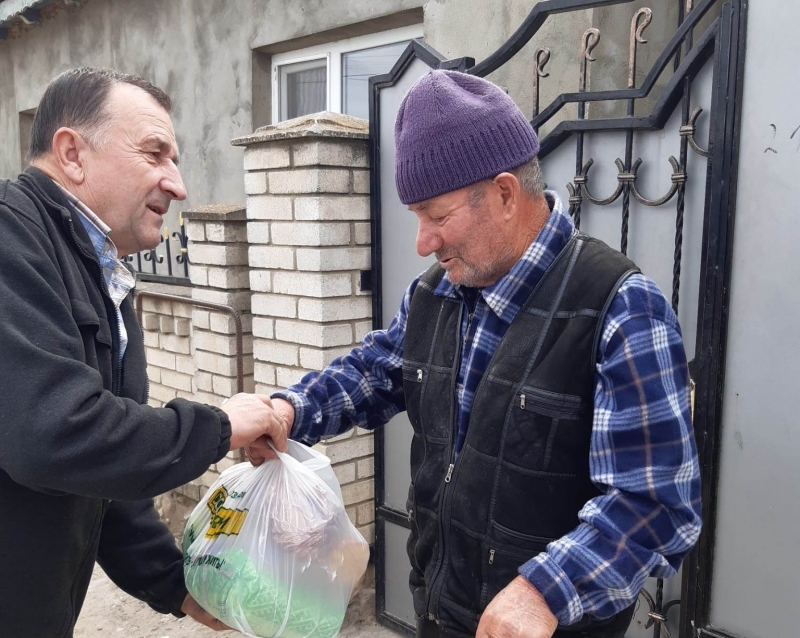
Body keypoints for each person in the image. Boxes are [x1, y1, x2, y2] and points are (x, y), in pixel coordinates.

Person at [252, 71, 702, 638]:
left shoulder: (619, 307)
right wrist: (290, 410)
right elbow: (375, 370)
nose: (423, 242)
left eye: (437, 217)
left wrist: (546, 590)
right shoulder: (435, 293)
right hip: (441, 615)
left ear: (506, 193)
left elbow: (656, 505)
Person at [0, 67, 287, 638]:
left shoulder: (100, 270)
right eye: (155, 153)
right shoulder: (11, 241)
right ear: (72, 154)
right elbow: (57, 436)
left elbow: (98, 475)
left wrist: (174, 584)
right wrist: (220, 426)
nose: (178, 185)